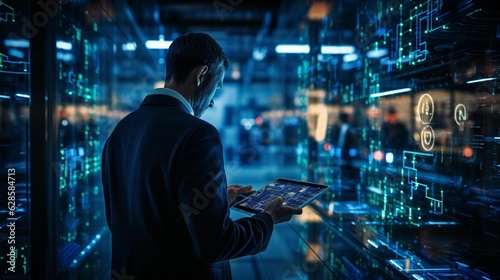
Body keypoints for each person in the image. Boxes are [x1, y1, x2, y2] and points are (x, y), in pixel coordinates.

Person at [101, 32, 302, 279]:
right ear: (201, 75)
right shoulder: (198, 134)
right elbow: (216, 244)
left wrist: (214, 205)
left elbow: (128, 220)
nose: (212, 103)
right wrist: (269, 218)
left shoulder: (121, 131)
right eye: (216, 88)